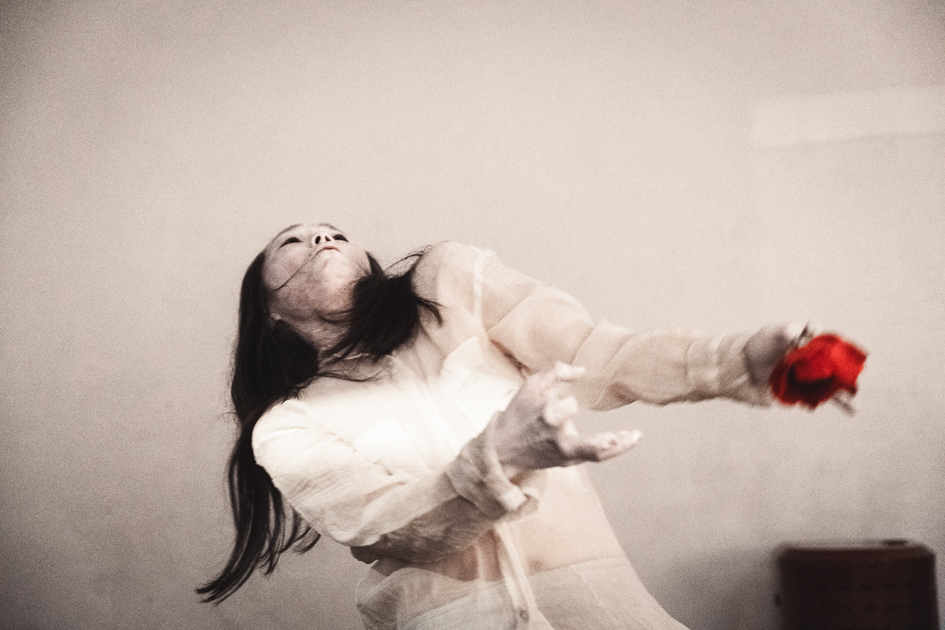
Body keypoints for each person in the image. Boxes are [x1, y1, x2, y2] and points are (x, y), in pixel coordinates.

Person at [198, 223, 803, 629]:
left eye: (336, 233)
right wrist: (501, 454)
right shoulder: (286, 426)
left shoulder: (450, 282)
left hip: (600, 604)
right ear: (269, 310)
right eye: (292, 241)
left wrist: (735, 361)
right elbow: (388, 526)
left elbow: (595, 353)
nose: (323, 237)